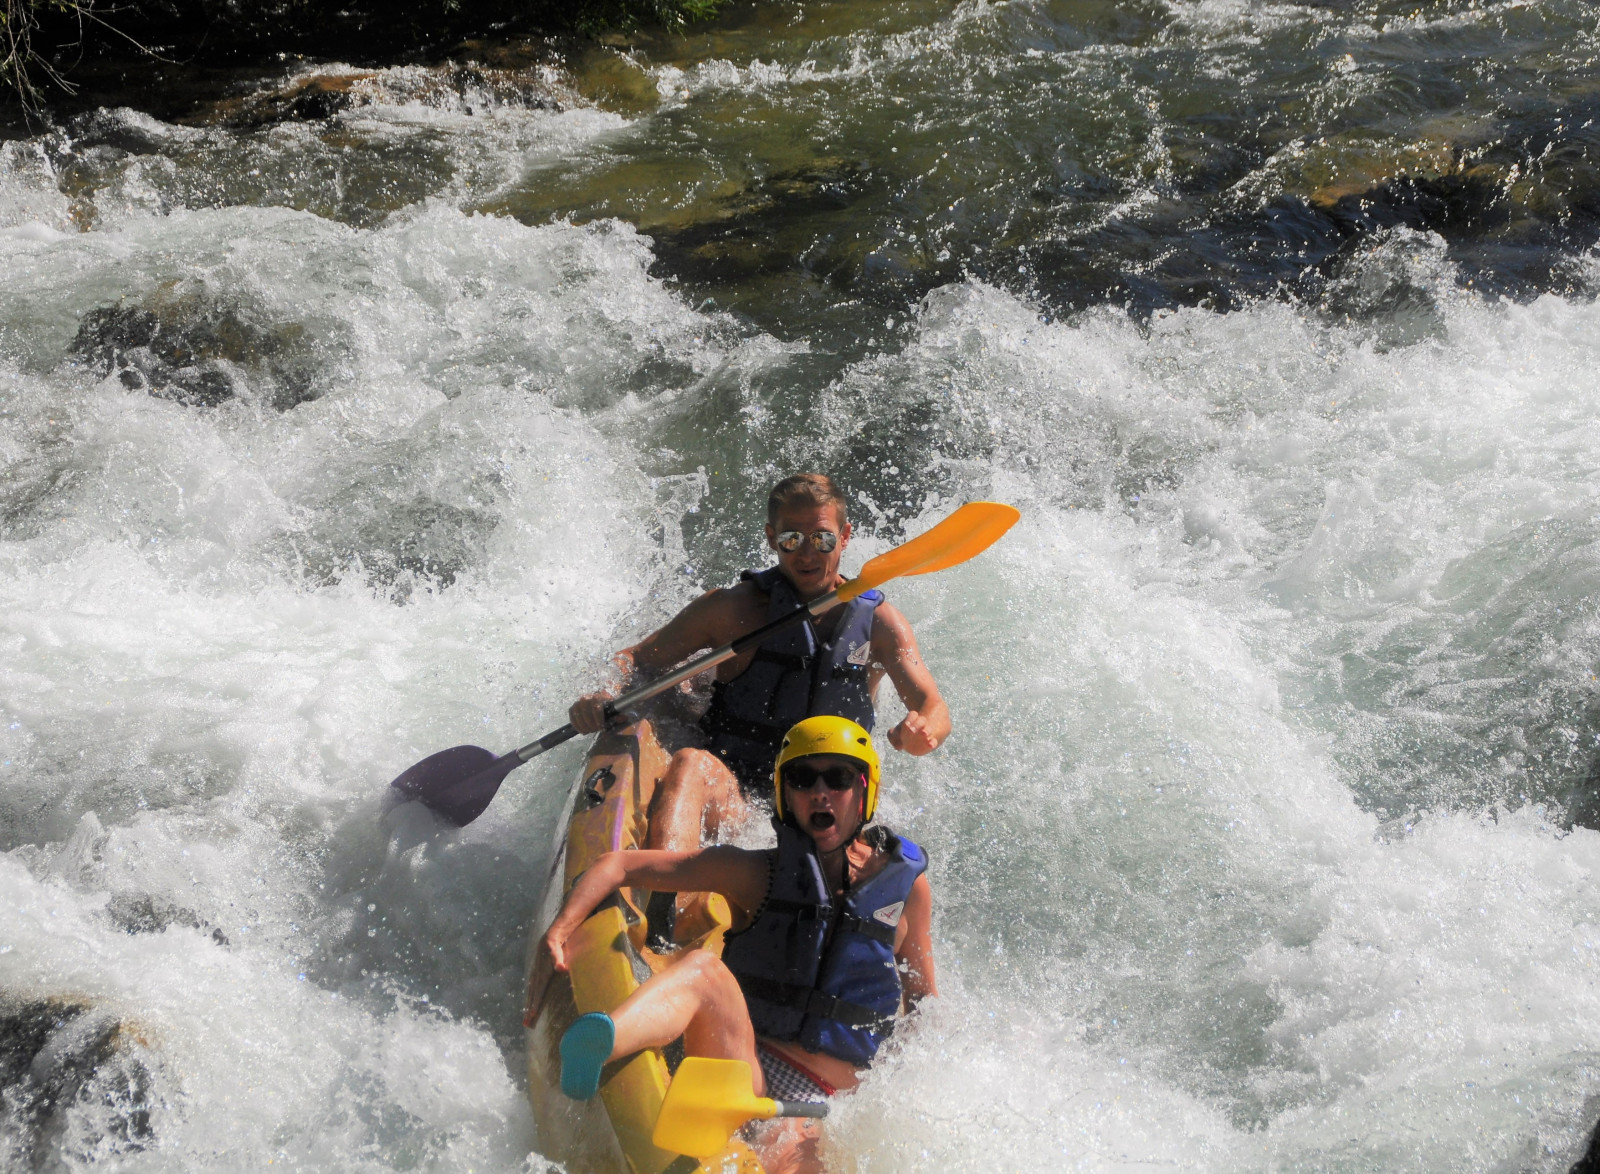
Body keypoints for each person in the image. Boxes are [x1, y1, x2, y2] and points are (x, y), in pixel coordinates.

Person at [542, 717, 937, 1174]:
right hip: (741, 1062)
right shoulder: (755, 873)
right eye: (803, 778)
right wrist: (560, 928)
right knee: (704, 973)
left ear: (865, 788)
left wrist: (894, 1096)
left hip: (823, 1102)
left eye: (839, 777)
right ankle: (598, 1042)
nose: (820, 792)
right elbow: (616, 867)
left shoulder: (907, 889)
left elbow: (925, 1002)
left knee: (793, 1146)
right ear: (785, 794)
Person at [568, 474, 950, 871]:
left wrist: (924, 731)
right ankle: (670, 905)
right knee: (689, 765)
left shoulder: (880, 624)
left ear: (846, 536)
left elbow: (932, 704)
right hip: (740, 793)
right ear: (771, 538)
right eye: (791, 540)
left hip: (829, 798)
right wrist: (603, 693)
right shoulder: (732, 610)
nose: (806, 554)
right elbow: (635, 658)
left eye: (822, 539)